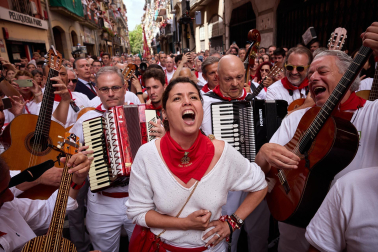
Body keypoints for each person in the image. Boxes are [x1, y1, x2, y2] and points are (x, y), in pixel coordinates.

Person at [126, 77, 268, 251]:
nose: (187, 102)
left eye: (193, 97)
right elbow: (138, 212)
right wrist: (184, 224)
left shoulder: (222, 152)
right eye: (177, 98)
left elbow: (260, 184)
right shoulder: (147, 154)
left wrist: (232, 222)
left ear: (201, 108)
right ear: (164, 113)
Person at [258, 44, 378, 251]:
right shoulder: (294, 118)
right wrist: (262, 156)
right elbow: (266, 171)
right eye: (311, 73)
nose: (312, 78)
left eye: (322, 72)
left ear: (349, 77)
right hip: (294, 234)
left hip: (354, 234)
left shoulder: (373, 113)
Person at [201, 55, 271, 252]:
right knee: (227, 236)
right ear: (217, 77)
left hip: (257, 179)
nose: (235, 83)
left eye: (239, 77)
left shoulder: (258, 99)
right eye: (228, 78)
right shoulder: (203, 102)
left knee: (259, 233)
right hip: (224, 184)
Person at [70, 66, 136, 252]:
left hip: (139, 199)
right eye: (105, 89)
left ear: (124, 88)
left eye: (115, 88)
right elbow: (68, 154)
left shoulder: (140, 115)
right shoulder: (86, 119)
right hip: (101, 203)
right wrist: (77, 156)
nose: (111, 93)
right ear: (97, 91)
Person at [143, 68, 167, 137]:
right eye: (148, 88)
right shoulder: (144, 111)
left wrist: (166, 137)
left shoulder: (174, 109)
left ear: (164, 87)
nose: (151, 92)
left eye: (155, 87)